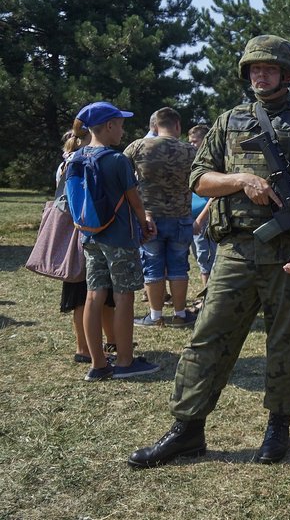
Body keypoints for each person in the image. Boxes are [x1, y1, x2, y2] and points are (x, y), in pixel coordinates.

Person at [128, 35, 290, 468]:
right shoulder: (228, 121)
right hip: (236, 252)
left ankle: (277, 427)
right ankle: (187, 431)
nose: (259, 75)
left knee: (286, 344)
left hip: (289, 253)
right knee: (207, 339)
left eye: (268, 68)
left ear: (286, 74)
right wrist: (242, 180)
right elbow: (199, 178)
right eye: (253, 69)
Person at [71, 102, 159, 381]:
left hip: (90, 235)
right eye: (120, 124)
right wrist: (145, 223)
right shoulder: (118, 160)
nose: (123, 129)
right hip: (119, 237)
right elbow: (134, 200)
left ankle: (98, 364)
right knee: (123, 296)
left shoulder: (76, 156)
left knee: (94, 295)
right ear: (109, 125)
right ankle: (124, 361)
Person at [124, 107, 197, 328]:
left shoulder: (138, 147)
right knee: (178, 267)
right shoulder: (190, 151)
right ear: (177, 126)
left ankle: (155, 316)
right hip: (181, 216)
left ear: (154, 126)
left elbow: (120, 174)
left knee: (152, 266)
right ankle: (180, 314)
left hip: (148, 218)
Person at [56, 129, 117, 363]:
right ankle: (85, 349)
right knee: (86, 292)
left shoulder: (66, 164)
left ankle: (107, 341)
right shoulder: (81, 163)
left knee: (93, 291)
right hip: (85, 234)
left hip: (79, 233)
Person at [187, 124, 216, 293]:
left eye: (194, 141)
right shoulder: (192, 161)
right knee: (199, 257)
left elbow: (215, 195)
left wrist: (200, 219)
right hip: (190, 218)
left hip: (204, 219)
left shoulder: (211, 161)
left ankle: (208, 297)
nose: (191, 145)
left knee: (206, 257)